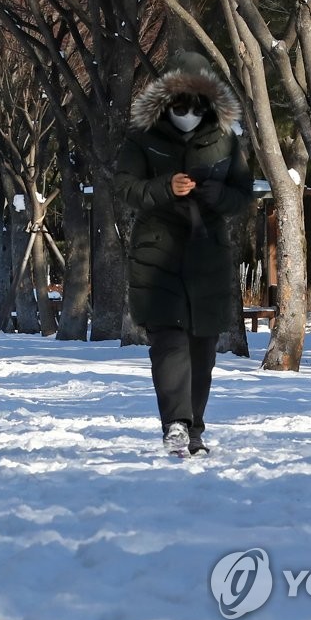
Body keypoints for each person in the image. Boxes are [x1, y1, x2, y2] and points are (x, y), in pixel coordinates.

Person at [114, 50, 254, 456]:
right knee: (169, 341)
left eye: (195, 103)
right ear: (164, 100)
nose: (186, 111)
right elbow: (124, 187)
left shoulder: (226, 140)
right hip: (157, 255)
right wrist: (163, 187)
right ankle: (175, 424)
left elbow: (244, 194)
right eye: (178, 103)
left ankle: (194, 429)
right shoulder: (141, 138)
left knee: (201, 349)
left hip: (207, 256)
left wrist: (220, 195)